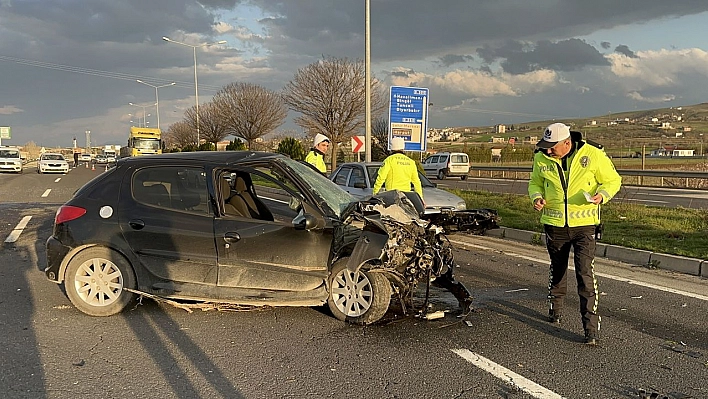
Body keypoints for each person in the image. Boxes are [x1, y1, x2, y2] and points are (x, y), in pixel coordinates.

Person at [528, 122, 621, 346]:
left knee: (585, 274)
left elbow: (613, 180)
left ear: (567, 143)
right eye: (546, 146)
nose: (548, 151)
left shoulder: (593, 154)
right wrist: (536, 197)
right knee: (558, 269)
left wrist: (602, 195)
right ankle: (555, 308)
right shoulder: (541, 157)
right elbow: (535, 183)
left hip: (585, 225)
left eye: (552, 147)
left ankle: (590, 329)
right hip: (554, 224)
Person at [373, 137, 423, 203]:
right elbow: (416, 182)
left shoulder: (389, 160)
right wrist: (421, 199)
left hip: (392, 196)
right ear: (403, 148)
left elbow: (380, 178)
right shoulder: (411, 162)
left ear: (391, 148)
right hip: (406, 197)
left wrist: (375, 194)